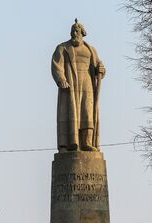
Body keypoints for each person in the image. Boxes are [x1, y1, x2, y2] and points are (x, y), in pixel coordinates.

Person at [52, 19, 106, 152]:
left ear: (82, 33)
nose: (74, 33)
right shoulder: (63, 48)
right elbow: (56, 65)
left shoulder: (91, 50)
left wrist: (101, 70)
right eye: (72, 31)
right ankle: (70, 144)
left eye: (77, 31)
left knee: (87, 113)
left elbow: (98, 67)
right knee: (70, 115)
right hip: (70, 86)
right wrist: (61, 79)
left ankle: (87, 143)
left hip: (87, 85)